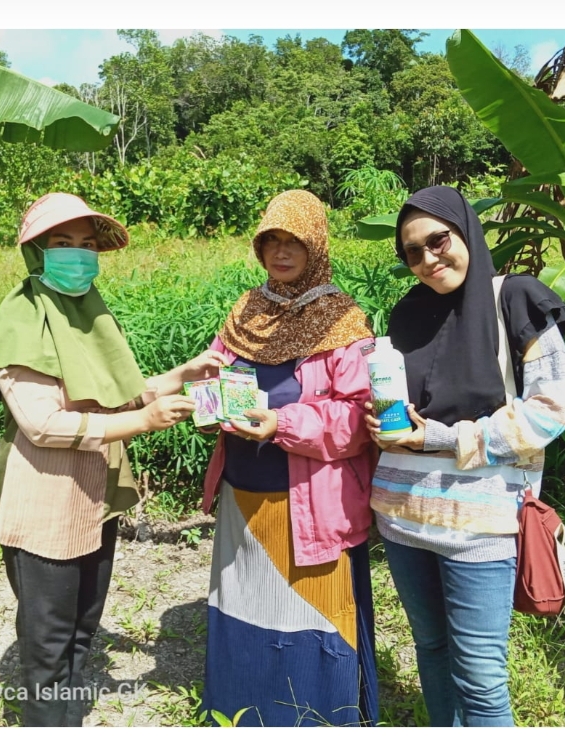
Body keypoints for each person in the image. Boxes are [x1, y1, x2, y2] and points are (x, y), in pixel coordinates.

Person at [0, 192, 225, 726]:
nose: (79, 254)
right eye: (62, 242)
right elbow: (43, 424)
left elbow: (117, 395)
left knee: (82, 625)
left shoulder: (89, 313)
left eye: (87, 244)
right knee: (49, 640)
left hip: (95, 493)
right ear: (36, 251)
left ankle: (66, 719)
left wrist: (181, 375)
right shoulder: (24, 318)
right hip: (46, 498)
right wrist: (144, 421)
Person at [367, 185, 565, 726]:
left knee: (482, 680)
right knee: (432, 651)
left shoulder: (515, 298)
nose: (428, 259)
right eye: (412, 252)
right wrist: (382, 428)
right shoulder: (407, 315)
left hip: (479, 526)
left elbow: (554, 409)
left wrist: (443, 438)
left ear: (465, 231)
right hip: (402, 518)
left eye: (438, 241)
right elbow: (406, 415)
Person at [199, 189, 379, 727]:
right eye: (271, 240)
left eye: (294, 242)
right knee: (248, 601)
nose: (280, 252)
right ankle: (241, 713)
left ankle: (317, 720)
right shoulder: (247, 311)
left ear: (316, 246)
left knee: (310, 611)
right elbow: (215, 373)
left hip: (310, 504)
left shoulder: (342, 320)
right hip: (243, 495)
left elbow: (358, 421)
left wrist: (283, 424)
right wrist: (206, 405)